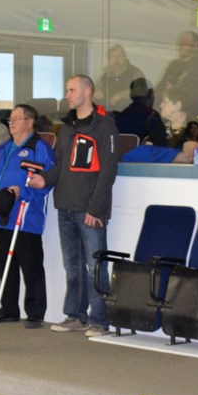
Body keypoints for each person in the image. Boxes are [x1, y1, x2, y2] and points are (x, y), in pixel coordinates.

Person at [28, 75, 119, 337]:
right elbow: (60, 166)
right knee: (73, 267)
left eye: (71, 90)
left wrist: (96, 208)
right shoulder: (66, 128)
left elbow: (108, 172)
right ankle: (75, 316)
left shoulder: (105, 127)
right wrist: (44, 178)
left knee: (95, 266)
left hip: (90, 209)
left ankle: (100, 320)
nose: (67, 95)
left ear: (87, 91)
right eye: (66, 90)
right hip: (65, 206)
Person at [0, 104, 56, 329]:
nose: (12, 122)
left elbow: (45, 182)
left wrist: (21, 192)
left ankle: (36, 312)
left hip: (26, 217)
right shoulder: (4, 148)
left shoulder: (39, 148)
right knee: (6, 263)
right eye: (11, 119)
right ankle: (9, 309)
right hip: (4, 215)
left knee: (31, 265)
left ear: (29, 122)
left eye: (17, 118)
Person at [156, 31, 198, 119]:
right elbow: (160, 88)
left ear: (195, 45)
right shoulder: (175, 64)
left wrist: (174, 90)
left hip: (193, 118)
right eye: (179, 43)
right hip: (170, 116)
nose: (180, 47)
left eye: (184, 43)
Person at [113, 78, 168, 146]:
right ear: (150, 95)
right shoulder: (151, 117)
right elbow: (162, 145)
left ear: (131, 95)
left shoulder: (119, 117)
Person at [95, 45, 145, 111]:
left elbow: (140, 90)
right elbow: (96, 89)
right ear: (109, 60)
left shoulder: (135, 72)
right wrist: (98, 93)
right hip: (107, 113)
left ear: (125, 57)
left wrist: (120, 96)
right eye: (113, 56)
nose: (116, 59)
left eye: (119, 55)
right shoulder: (105, 74)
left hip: (129, 112)